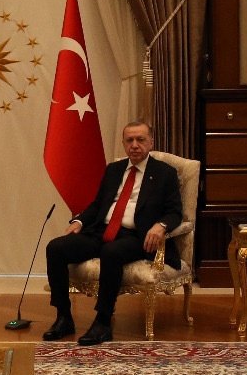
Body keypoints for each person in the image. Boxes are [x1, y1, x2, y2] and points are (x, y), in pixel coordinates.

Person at [43, 121, 184, 346]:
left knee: (112, 252)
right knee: (56, 248)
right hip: (101, 230)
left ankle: (103, 321)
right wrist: (79, 221)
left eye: (140, 140)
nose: (135, 145)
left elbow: (175, 211)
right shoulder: (114, 170)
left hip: (136, 237)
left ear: (151, 142)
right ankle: (63, 317)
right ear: (123, 143)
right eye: (130, 140)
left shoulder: (164, 173)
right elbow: (98, 204)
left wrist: (161, 226)